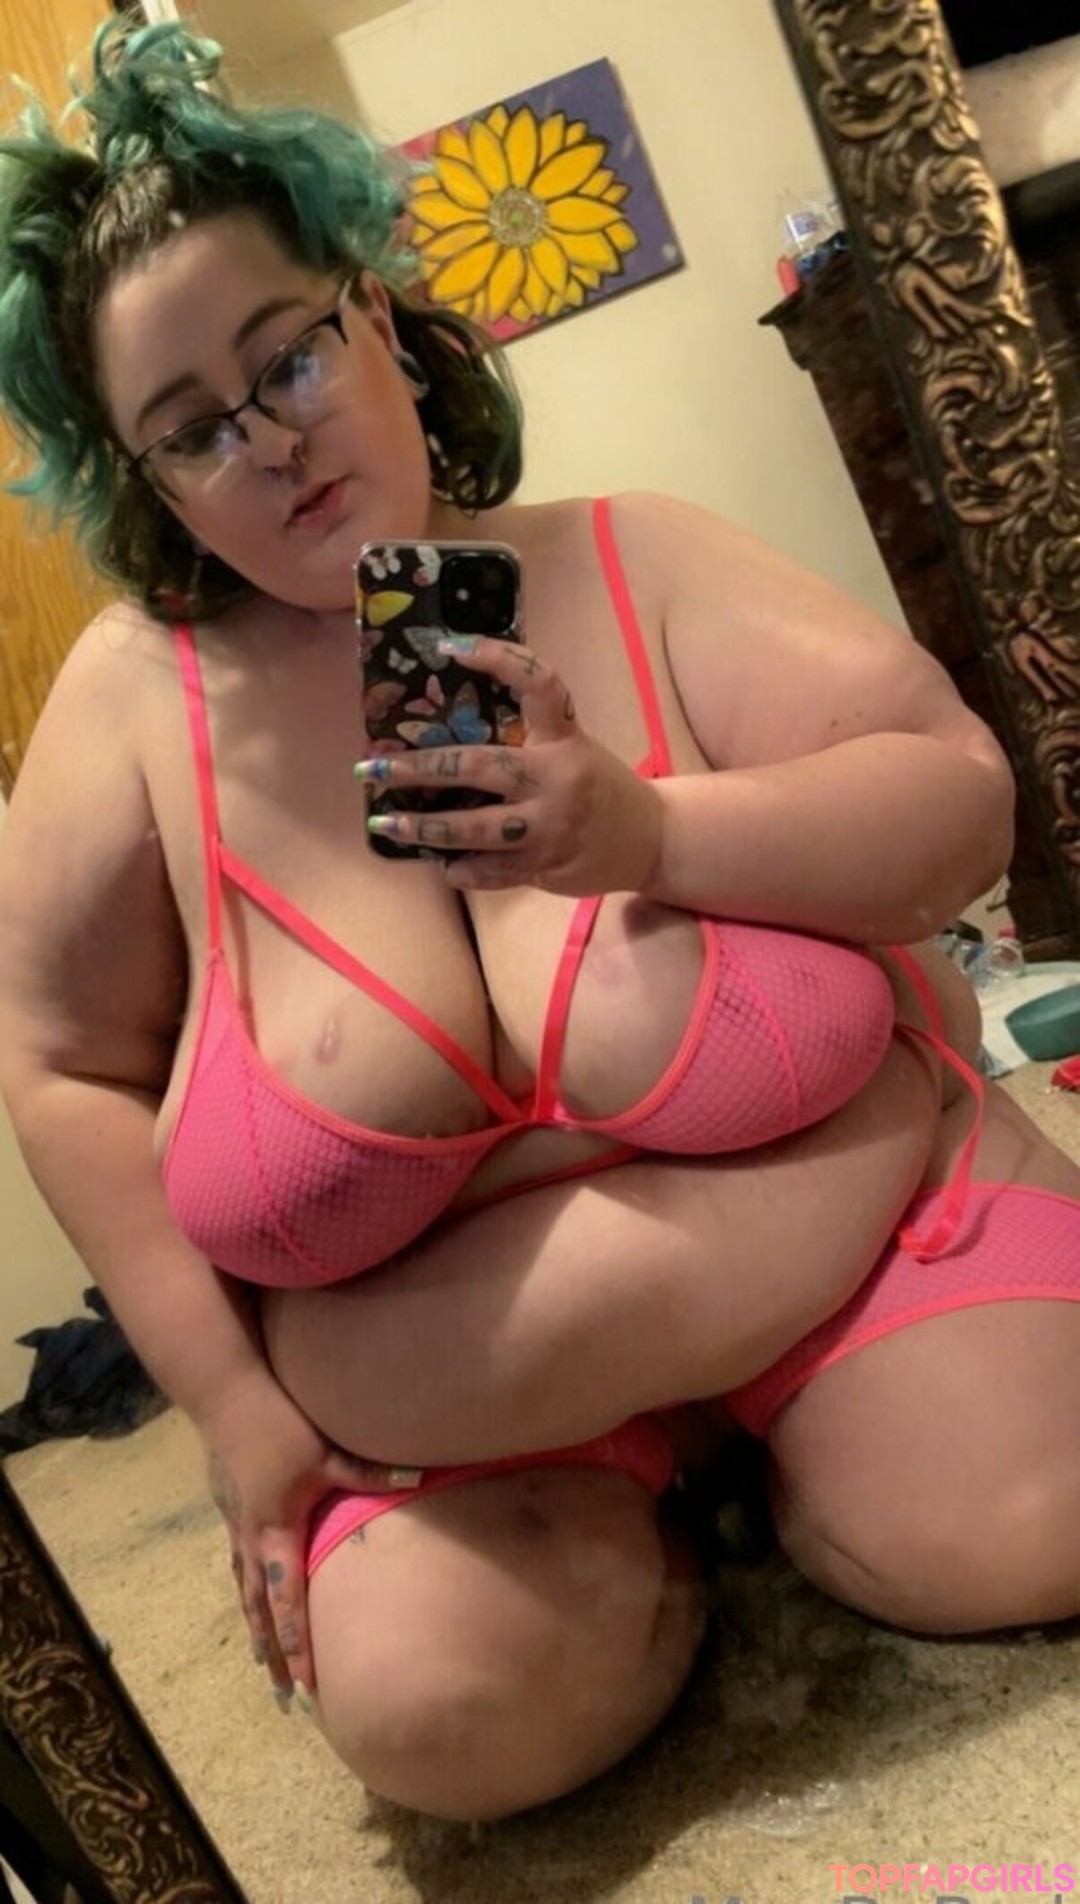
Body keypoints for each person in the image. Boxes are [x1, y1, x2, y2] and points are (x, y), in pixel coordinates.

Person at [2, 19, 1080, 1823]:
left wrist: (648, 829)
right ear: (145, 480)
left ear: (376, 313)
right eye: (190, 429)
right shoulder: (131, 707)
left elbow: (959, 792)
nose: (270, 443)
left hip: (868, 1241)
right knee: (449, 1726)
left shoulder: (633, 553)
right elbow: (57, 1063)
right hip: (465, 1437)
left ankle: (824, 1430)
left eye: (287, 356)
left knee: (1033, 1517)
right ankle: (649, 1505)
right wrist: (236, 1414)